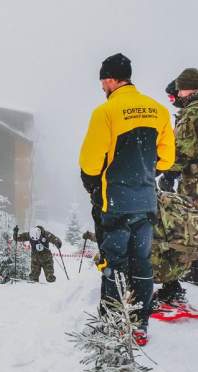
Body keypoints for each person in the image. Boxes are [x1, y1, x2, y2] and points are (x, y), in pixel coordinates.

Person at [79, 53, 175, 345]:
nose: (102, 87)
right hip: (146, 202)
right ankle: (140, 324)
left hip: (115, 203)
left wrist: (91, 184)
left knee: (114, 262)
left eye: (102, 82)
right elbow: (166, 160)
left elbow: (90, 163)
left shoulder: (106, 112)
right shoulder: (158, 110)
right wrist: (144, 171)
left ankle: (111, 320)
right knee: (142, 261)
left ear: (109, 79)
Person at [166, 68, 198, 288]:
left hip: (194, 182)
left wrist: (169, 172)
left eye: (181, 88)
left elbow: (183, 148)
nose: (178, 92)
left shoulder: (192, 112)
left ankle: (193, 271)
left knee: (191, 223)